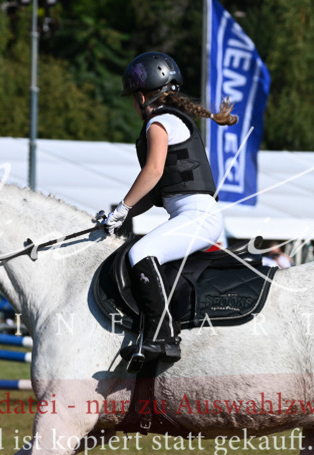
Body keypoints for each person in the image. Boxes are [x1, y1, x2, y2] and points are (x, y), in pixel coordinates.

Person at [99, 52, 237, 364]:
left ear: (142, 96)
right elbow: (154, 193)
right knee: (145, 251)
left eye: (133, 99)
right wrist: (119, 217)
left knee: (140, 254)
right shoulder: (171, 119)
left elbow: (153, 172)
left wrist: (122, 207)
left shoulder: (159, 123)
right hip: (195, 213)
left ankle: (163, 336)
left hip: (198, 215)